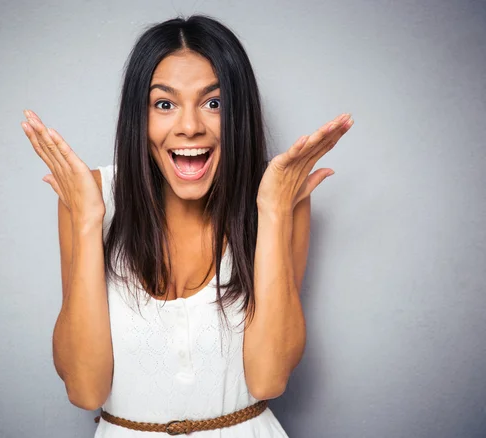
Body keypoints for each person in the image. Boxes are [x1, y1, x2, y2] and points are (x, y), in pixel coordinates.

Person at [21, 14, 353, 437]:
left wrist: (272, 211)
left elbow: (269, 379)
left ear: (239, 114)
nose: (190, 126)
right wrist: (89, 222)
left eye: (214, 103)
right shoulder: (89, 198)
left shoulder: (279, 197)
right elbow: (85, 389)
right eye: (165, 104)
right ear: (138, 118)